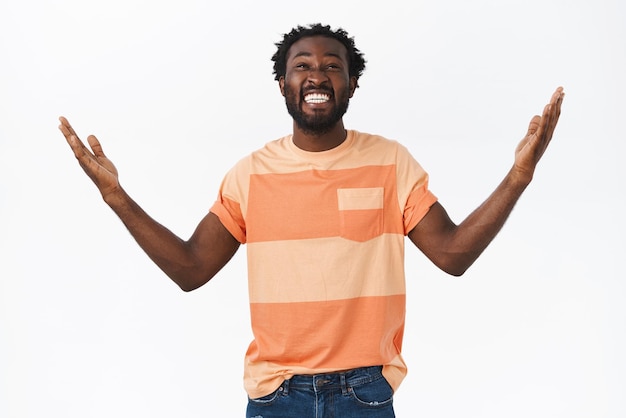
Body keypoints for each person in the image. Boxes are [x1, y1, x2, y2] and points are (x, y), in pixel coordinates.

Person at [58, 23, 564, 418]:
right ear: (284, 83)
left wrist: (518, 176)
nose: (317, 75)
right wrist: (117, 197)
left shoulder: (391, 163)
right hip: (277, 397)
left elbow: (452, 255)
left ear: (351, 83)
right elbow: (193, 269)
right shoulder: (251, 174)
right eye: (302, 66)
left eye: (332, 66)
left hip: (364, 393)